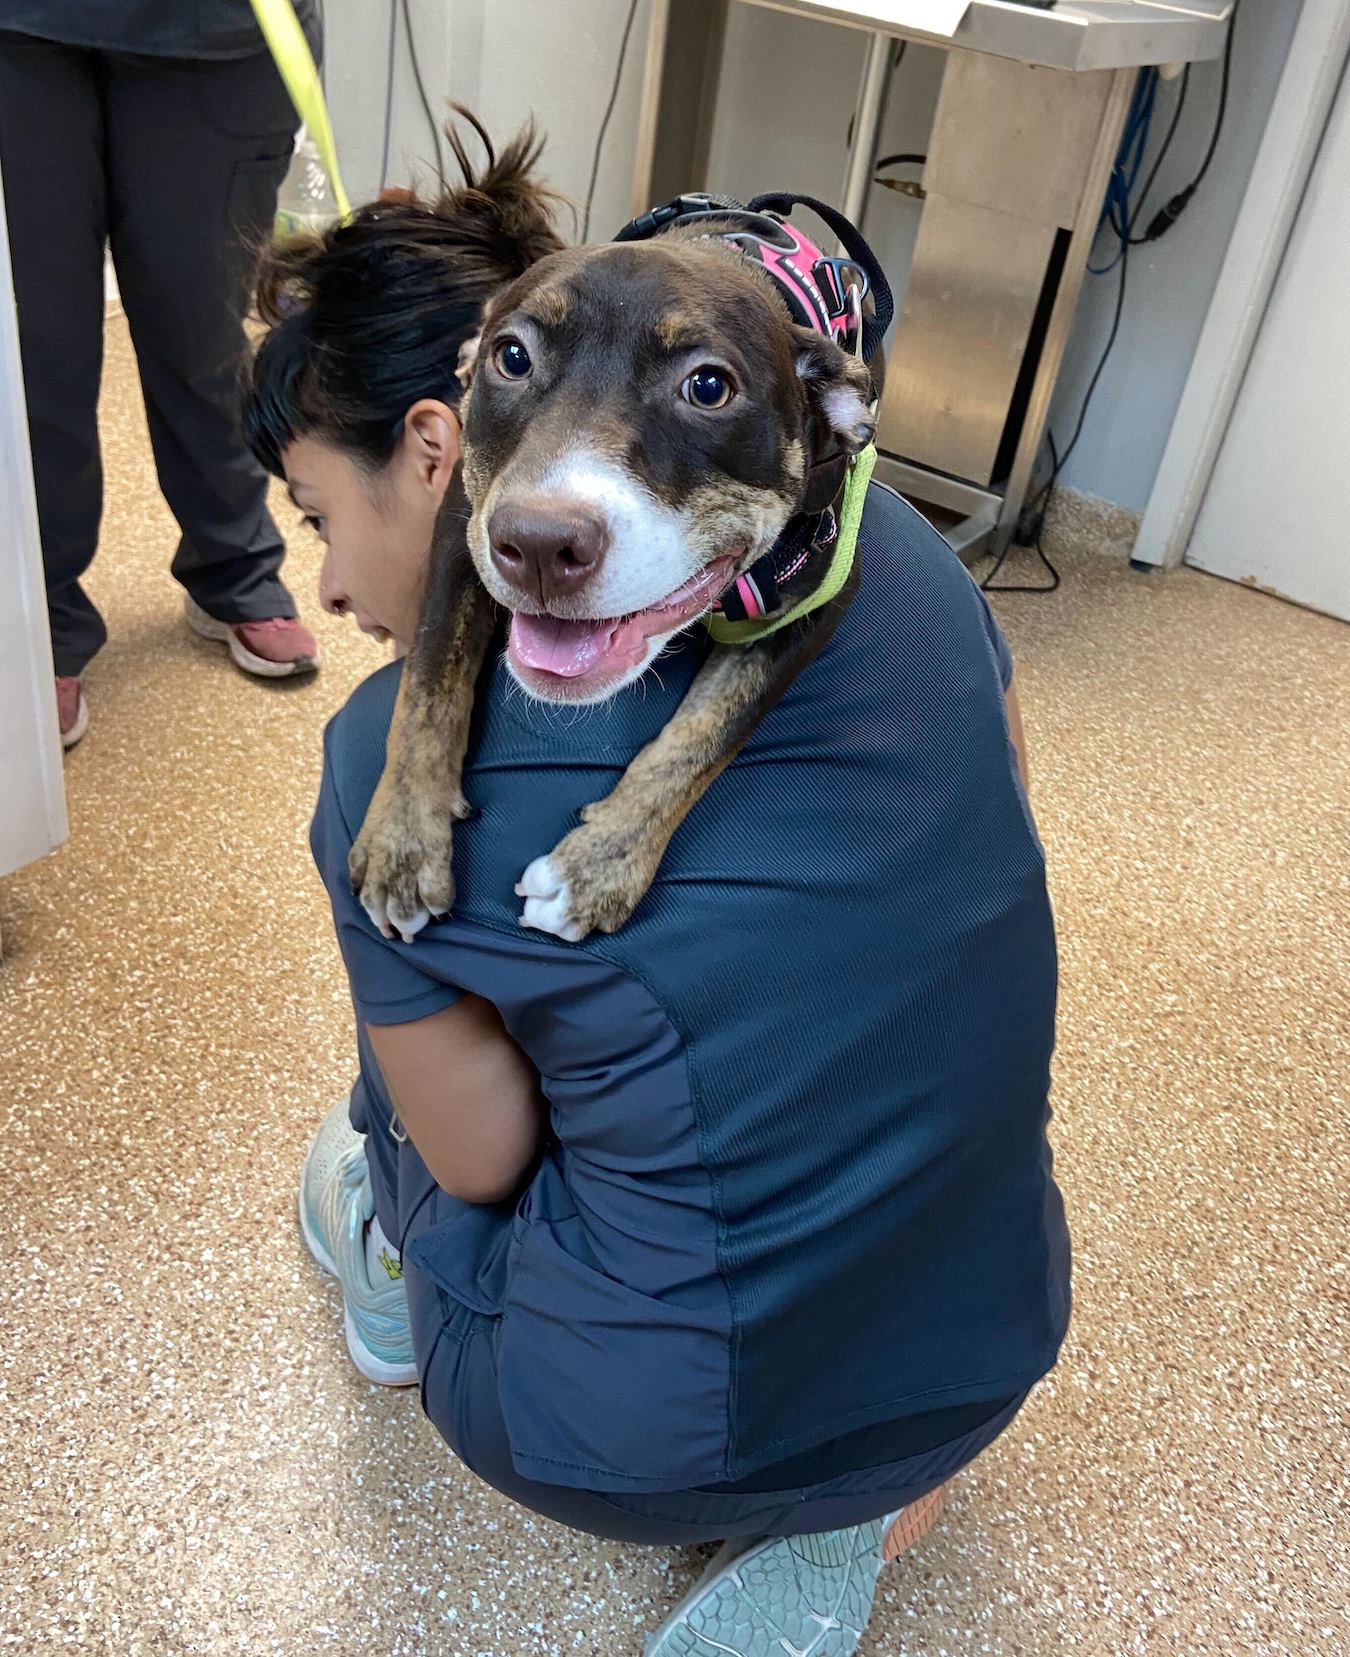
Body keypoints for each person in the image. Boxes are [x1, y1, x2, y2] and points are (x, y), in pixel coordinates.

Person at [245, 132, 1069, 1656]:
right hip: (997, 1333)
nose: (329, 589)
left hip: (617, 1443)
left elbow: (488, 1161)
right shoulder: (918, 565)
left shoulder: (381, 763)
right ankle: (868, 1508)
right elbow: (999, 818)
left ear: (439, 451)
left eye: (314, 519)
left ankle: (371, 1238)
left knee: (412, 1035)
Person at [0, 1, 324, 751]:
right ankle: (39, 619)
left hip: (219, 32)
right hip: (18, 30)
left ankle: (234, 565)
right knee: (33, 353)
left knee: (205, 334)